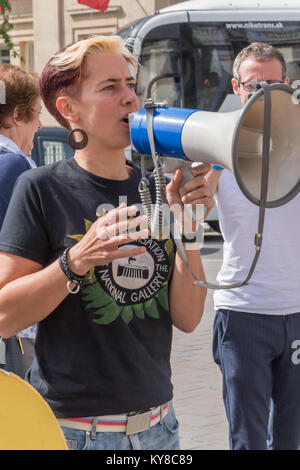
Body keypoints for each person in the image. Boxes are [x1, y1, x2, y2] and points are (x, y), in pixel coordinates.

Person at [0, 35, 213, 450]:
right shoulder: (40, 188)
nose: (130, 99)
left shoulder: (155, 188)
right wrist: (75, 261)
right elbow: (5, 315)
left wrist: (189, 224)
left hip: (158, 428)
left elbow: (187, 318)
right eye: (110, 87)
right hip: (76, 433)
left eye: (131, 84)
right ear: (68, 109)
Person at [206, 42, 300, 450]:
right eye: (253, 85)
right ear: (236, 87)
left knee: (292, 438)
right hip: (243, 313)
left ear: (289, 86)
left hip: (296, 310)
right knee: (248, 439)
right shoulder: (216, 143)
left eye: (272, 86)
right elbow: (188, 215)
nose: (262, 95)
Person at [0, 64, 42, 376]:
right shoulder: (16, 166)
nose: (40, 124)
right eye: (36, 113)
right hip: (16, 328)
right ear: (16, 115)